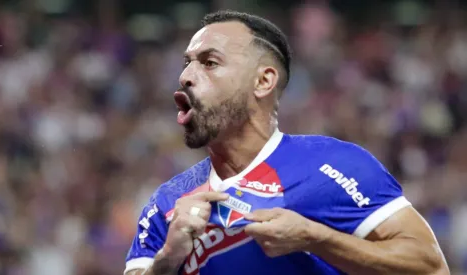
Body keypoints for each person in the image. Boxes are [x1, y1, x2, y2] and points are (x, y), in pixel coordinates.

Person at [124, 10, 450, 275]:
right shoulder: (166, 204)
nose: (186, 76)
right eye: (187, 63)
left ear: (263, 81)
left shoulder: (335, 165)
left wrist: (314, 237)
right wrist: (167, 259)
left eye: (209, 62)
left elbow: (430, 267)